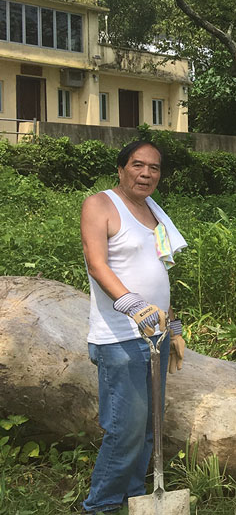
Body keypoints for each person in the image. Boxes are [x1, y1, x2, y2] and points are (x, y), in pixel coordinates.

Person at [80, 140, 187, 514]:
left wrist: (171, 326)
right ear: (122, 167)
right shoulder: (101, 204)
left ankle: (132, 500)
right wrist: (134, 305)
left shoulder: (153, 212)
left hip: (154, 337)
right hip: (119, 339)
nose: (146, 174)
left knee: (147, 430)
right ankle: (102, 507)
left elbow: (158, 274)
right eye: (138, 165)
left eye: (154, 168)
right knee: (124, 431)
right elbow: (97, 264)